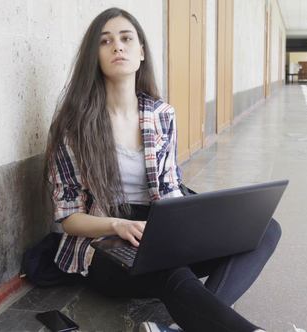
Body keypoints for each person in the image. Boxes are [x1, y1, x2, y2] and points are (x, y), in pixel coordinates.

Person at [44, 7, 281, 332]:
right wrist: (117, 225)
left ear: (141, 51)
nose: (118, 46)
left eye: (127, 38)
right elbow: (69, 219)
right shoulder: (72, 126)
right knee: (171, 270)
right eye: (106, 41)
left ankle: (178, 327)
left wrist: (188, 225)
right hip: (103, 244)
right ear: (94, 56)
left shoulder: (161, 114)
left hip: (159, 228)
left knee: (266, 228)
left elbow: (171, 188)